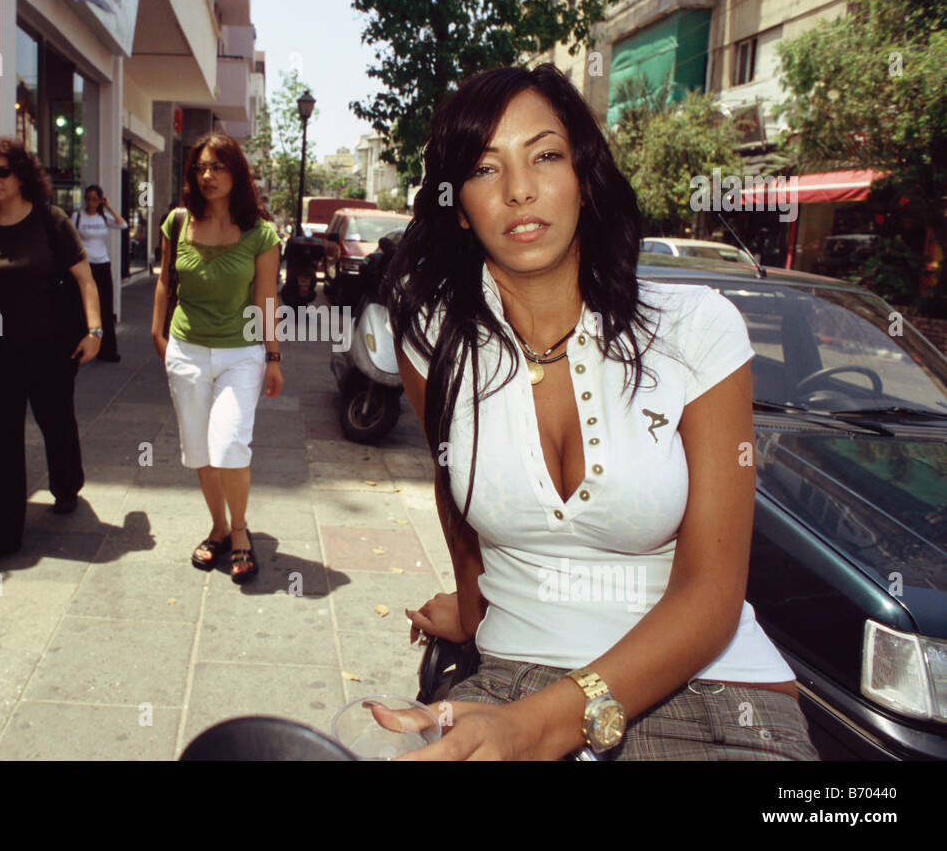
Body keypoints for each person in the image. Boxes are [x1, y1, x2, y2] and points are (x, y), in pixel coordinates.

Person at [387, 65, 819, 761]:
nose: (520, 189)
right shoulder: (431, 340)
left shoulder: (697, 328)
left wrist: (539, 725)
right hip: (509, 683)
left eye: (545, 155)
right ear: (459, 205)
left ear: (584, 177)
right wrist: (470, 610)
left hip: (712, 697)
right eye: (484, 167)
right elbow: (454, 496)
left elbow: (712, 592)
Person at [0, 137, 102, 574]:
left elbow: (85, 279)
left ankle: (66, 484)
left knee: (55, 421)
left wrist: (94, 330)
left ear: (21, 175)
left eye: (2, 171)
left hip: (51, 345)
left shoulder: (51, 222)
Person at [152, 133, 282, 584]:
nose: (208, 176)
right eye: (201, 168)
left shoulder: (261, 233)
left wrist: (273, 356)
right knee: (199, 449)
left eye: (218, 167)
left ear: (236, 173)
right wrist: (157, 330)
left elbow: (267, 297)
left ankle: (241, 530)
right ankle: (218, 527)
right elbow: (166, 280)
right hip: (186, 350)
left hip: (240, 355)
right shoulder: (177, 222)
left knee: (229, 444)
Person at [70, 184, 126, 361]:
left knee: (105, 307)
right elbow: (69, 239)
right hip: (85, 266)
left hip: (102, 265)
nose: (91, 202)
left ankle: (107, 350)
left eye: (95, 199)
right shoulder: (77, 217)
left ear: (100, 200)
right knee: (82, 307)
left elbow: (123, 224)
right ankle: (80, 348)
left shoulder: (104, 216)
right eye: (88, 198)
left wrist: (108, 206)